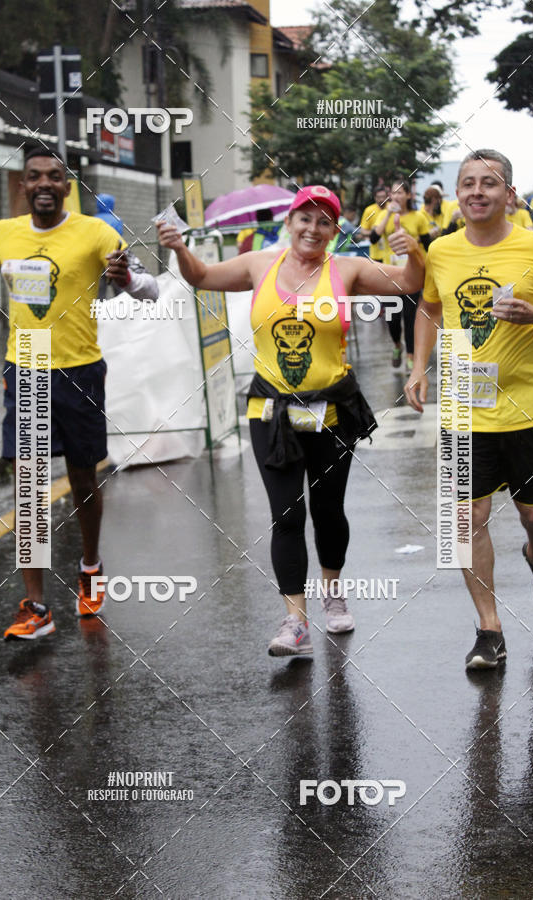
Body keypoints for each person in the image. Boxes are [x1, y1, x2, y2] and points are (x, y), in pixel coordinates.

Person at [157, 185, 424, 657]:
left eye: (324, 221)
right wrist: (179, 247)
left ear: (333, 229)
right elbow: (201, 276)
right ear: (290, 221)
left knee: (328, 510)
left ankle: (333, 593)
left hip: (332, 412)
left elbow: (407, 282)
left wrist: (414, 252)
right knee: (286, 514)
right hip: (271, 411)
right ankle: (295, 621)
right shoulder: (260, 265)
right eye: (305, 218)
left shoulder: (347, 269)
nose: (313, 229)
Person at [0, 148, 159, 639]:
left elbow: (148, 289)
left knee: (83, 480)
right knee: (29, 486)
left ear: (67, 186)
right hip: (27, 366)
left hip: (80, 369)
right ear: (23, 185)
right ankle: (36, 606)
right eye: (34, 176)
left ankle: (90, 565)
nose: (44, 183)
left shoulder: (97, 233)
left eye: (54, 176)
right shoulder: (2, 234)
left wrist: (127, 278)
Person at [405, 149, 533, 670]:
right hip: (464, 408)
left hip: (531, 408)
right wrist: (419, 366)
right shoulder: (441, 250)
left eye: (489, 183)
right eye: (468, 183)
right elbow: (430, 306)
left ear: (509, 194)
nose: (477, 191)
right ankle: (490, 630)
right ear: (457, 193)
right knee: (465, 519)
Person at [371, 178, 431, 372]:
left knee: (410, 316)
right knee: (392, 318)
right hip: (389, 274)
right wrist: (388, 214)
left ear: (408, 195)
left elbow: (428, 244)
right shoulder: (384, 214)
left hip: (411, 274)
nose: (396, 196)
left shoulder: (418, 217)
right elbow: (374, 238)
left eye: (400, 192)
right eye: (393, 192)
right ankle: (397, 345)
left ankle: (410, 356)